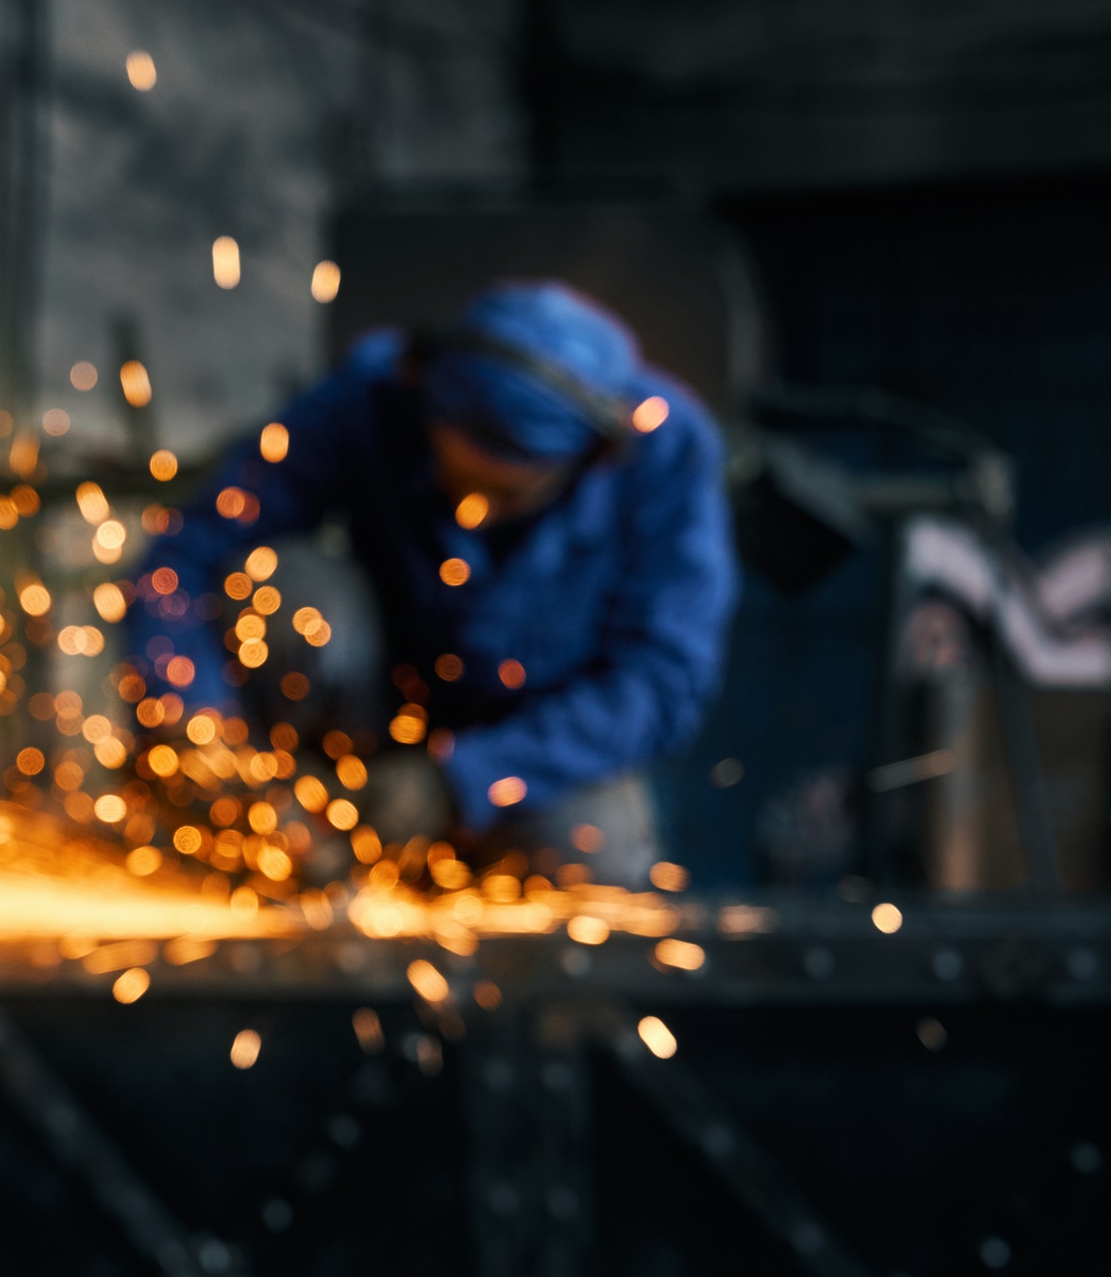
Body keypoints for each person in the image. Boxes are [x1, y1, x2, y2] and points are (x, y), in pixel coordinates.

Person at [127, 281, 738, 886]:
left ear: (589, 458)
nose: (476, 514)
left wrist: (462, 779)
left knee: (594, 863)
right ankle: (284, 841)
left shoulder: (663, 450)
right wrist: (196, 728)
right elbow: (184, 558)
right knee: (277, 587)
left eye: (507, 495)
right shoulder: (375, 392)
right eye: (458, 481)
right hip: (372, 707)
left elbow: (660, 682)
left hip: (535, 745)